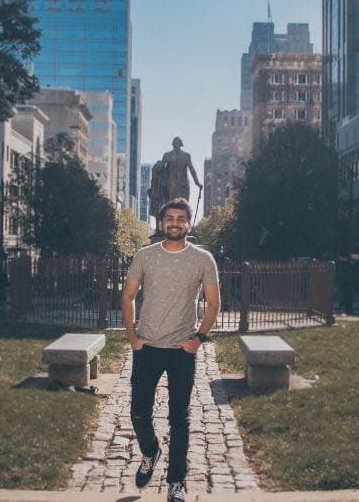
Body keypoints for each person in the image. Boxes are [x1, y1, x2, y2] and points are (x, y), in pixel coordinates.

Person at [120, 198, 220, 502]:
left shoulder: (203, 259)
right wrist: (132, 336)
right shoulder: (145, 255)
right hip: (147, 346)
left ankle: (176, 483)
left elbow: (214, 303)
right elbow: (127, 296)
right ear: (161, 223)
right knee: (138, 412)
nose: (175, 223)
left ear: (189, 223)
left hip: (181, 349)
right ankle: (150, 452)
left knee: (179, 418)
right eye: (169, 218)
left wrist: (198, 339)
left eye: (181, 218)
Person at [161, 137, 202, 202]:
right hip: (176, 184)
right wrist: (197, 183)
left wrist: (197, 183)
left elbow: (192, 170)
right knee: (181, 206)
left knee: (175, 205)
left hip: (176, 184)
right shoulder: (185, 155)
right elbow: (192, 171)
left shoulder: (168, 155)